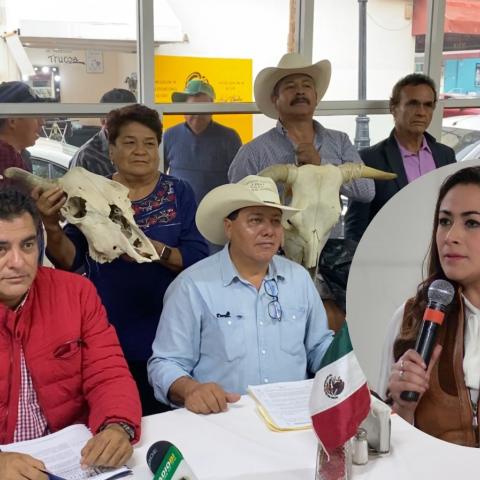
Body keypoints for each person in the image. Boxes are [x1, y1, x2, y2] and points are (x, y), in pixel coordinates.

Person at [34, 104, 209, 416]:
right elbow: (70, 261)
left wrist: (154, 249)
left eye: (150, 143)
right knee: (116, 413)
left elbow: (197, 257)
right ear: (111, 150)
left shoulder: (179, 191)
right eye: (129, 142)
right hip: (109, 328)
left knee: (172, 420)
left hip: (173, 328)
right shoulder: (91, 192)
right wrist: (49, 226)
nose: (140, 151)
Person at [148, 175, 334, 414]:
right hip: (223, 420)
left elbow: (318, 347)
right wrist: (191, 389)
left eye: (276, 222)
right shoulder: (193, 286)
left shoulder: (299, 279)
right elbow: (165, 363)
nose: (269, 231)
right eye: (255, 220)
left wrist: (346, 365)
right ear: (229, 227)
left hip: (295, 418)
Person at [0, 189, 141, 478]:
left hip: (70, 461)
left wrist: (117, 425)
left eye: (27, 245)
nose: (18, 262)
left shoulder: (76, 293)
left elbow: (108, 373)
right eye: (0, 249)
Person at [379, 166, 480, 447]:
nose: (450, 237)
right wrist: (404, 408)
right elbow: (382, 440)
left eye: (472, 223)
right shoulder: (409, 318)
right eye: (444, 221)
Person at [228, 52, 374, 239]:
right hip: (274, 254)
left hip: (329, 252)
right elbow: (236, 208)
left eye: (307, 86)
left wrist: (322, 165)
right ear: (275, 99)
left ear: (315, 96)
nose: (300, 91)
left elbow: (367, 191)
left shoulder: (340, 141)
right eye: (290, 86)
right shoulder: (253, 153)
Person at [345, 73, 456, 242]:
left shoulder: (445, 155)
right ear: (393, 107)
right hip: (389, 258)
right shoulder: (369, 160)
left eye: (428, 105)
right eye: (413, 104)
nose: (421, 112)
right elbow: (355, 228)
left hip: (440, 256)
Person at [164, 79, 242, 206]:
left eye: (202, 108)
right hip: (178, 213)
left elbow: (239, 181)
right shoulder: (169, 136)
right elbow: (156, 177)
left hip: (217, 213)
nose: (197, 114)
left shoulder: (229, 138)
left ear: (212, 108)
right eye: (191, 108)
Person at [69, 88, 137, 176]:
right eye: (117, 120)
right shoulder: (86, 156)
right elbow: (73, 188)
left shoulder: (141, 149)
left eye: (131, 118)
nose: (126, 125)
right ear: (103, 120)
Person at [0, 81, 44, 185]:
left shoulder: (22, 157)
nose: (42, 122)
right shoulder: (5, 159)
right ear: (12, 121)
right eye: (35, 115)